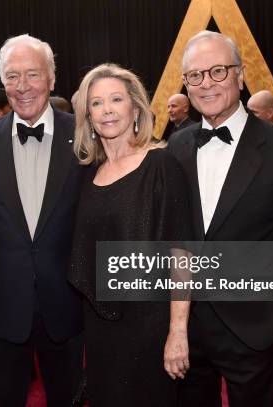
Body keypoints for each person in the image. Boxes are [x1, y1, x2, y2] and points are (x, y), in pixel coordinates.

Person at [167, 31, 273, 406]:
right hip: (187, 326)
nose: (206, 84)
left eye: (218, 71)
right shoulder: (177, 146)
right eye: (196, 76)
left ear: (241, 74)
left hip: (252, 324)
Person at [0, 34, 84, 406]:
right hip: (1, 303)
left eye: (32, 74)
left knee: (68, 398)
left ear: (51, 79)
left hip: (67, 301)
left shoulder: (85, 135)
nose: (22, 86)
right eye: (12, 76)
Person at [68, 63, 192, 406]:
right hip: (101, 327)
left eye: (116, 99)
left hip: (150, 326)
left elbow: (181, 254)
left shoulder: (161, 165)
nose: (106, 110)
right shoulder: (90, 174)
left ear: (135, 108)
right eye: (96, 103)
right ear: (88, 116)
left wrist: (177, 331)